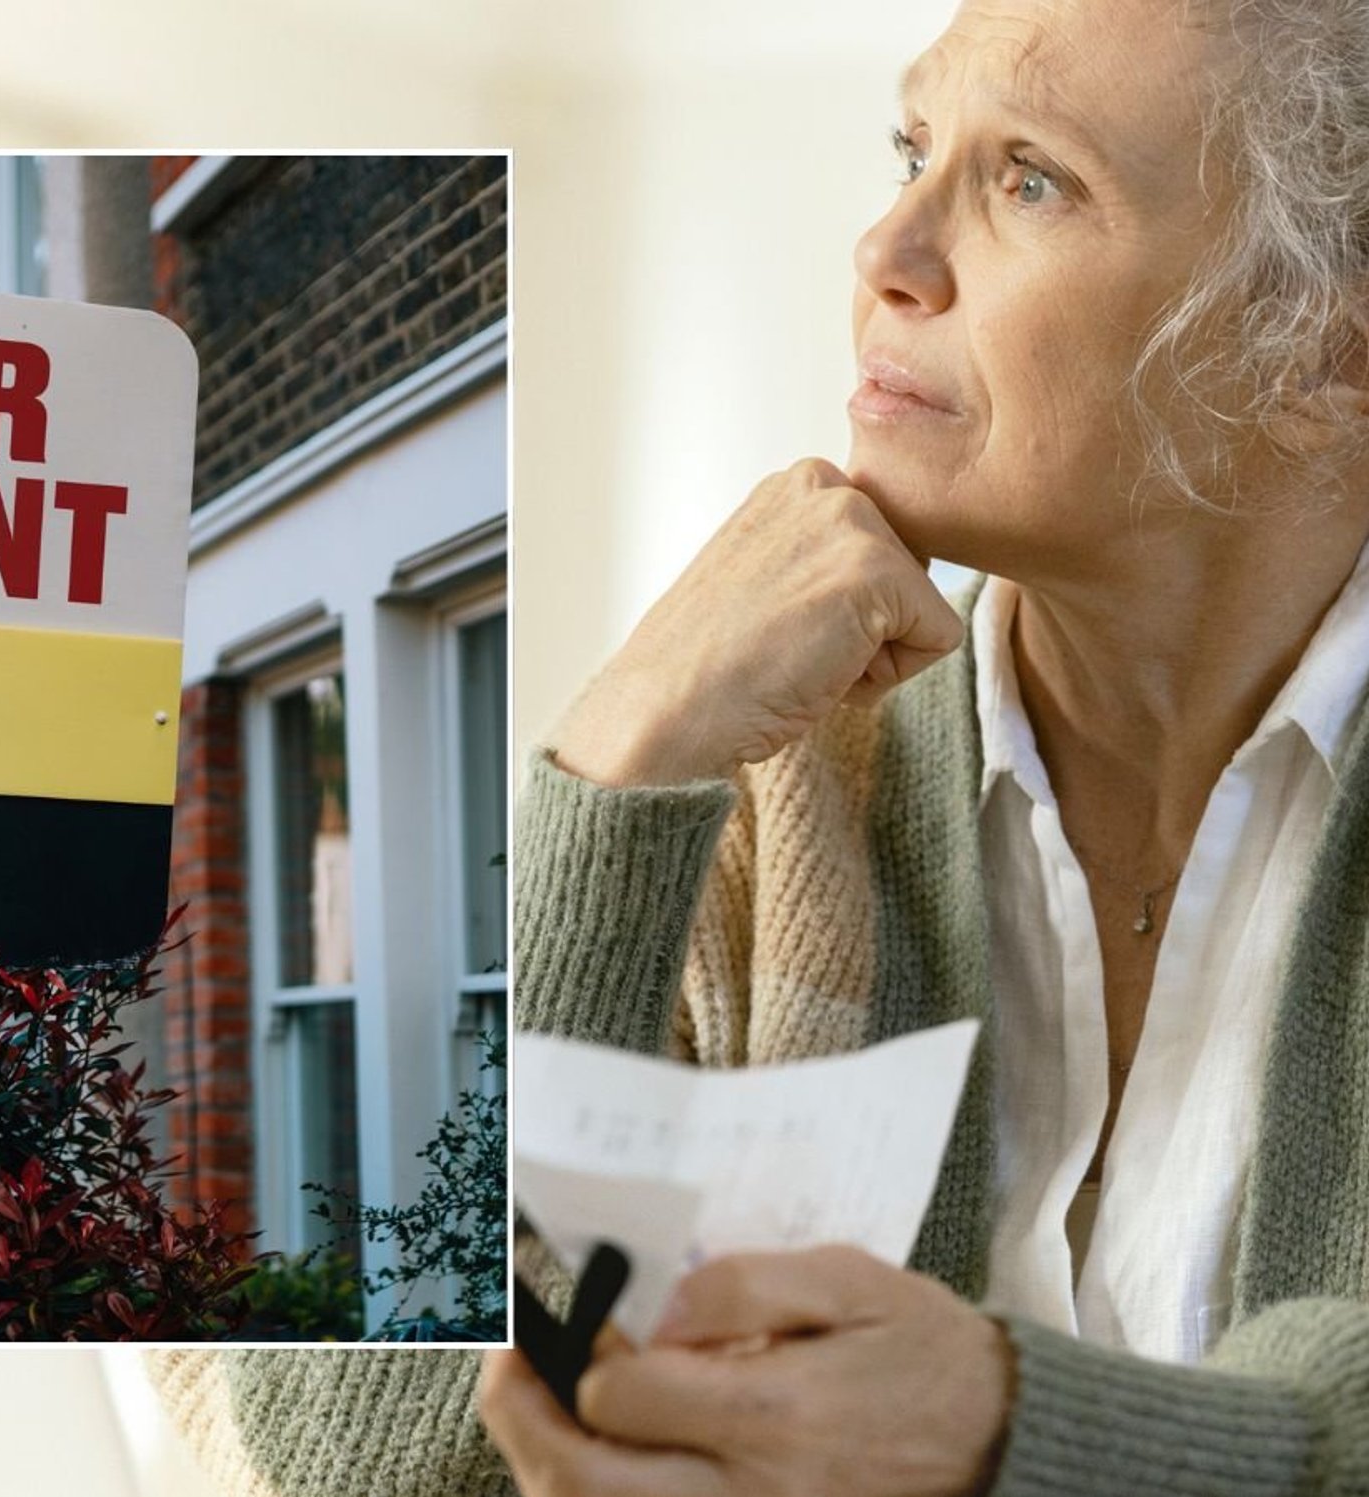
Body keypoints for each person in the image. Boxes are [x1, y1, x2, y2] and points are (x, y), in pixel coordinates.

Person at [152, 0, 1369, 1491]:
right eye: (915, 145)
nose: (886, 252)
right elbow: (353, 1464)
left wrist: (1018, 1433)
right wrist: (616, 761)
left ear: (1328, 346)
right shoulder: (758, 803)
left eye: (1031, 177)